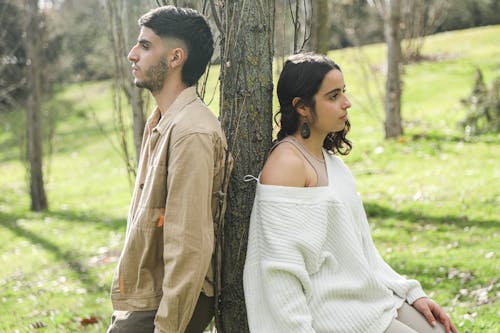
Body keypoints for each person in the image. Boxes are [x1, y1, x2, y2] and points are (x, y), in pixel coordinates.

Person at [243, 53, 458, 333]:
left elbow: (363, 252)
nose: (346, 103)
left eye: (344, 92)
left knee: (441, 330)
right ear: (302, 107)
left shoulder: (331, 162)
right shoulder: (287, 165)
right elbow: (279, 272)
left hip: (367, 298)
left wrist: (412, 293)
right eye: (333, 96)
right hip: (331, 313)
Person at [107, 6, 231, 333]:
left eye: (145, 46)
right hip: (148, 295)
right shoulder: (162, 121)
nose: (133, 54)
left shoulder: (192, 133)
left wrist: (167, 327)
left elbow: (190, 244)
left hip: (170, 303)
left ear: (175, 58)